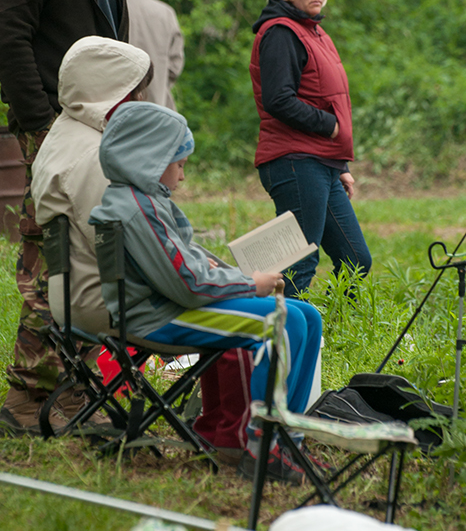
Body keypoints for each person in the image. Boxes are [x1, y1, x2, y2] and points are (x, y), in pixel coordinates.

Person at [32, 36, 254, 463]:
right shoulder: (93, 157)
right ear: (105, 91)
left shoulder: (66, 135)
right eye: (131, 93)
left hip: (73, 293)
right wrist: (218, 277)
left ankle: (224, 426)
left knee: (216, 287)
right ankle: (237, 432)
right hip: (111, 298)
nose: (138, 102)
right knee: (240, 310)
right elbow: (136, 248)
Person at [89, 101, 323, 482]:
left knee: (307, 315)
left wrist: (233, 276)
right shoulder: (138, 209)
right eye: (179, 164)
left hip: (168, 306)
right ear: (150, 160)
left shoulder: (143, 201)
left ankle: (287, 438)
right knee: (282, 322)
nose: (183, 176)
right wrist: (250, 284)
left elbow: (186, 264)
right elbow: (189, 285)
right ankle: (262, 446)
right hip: (158, 317)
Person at [0, 0, 129, 435]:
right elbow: (9, 42)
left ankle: (75, 389)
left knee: (96, 254)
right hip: (54, 126)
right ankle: (27, 400)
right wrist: (41, 126)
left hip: (104, 127)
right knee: (50, 255)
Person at [249, 0, 372, 298]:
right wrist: (330, 126)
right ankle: (278, 331)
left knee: (355, 260)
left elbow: (323, 95)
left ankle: (328, 329)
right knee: (298, 264)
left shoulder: (313, 31)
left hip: (320, 162)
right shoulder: (280, 33)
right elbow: (278, 100)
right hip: (295, 161)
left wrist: (339, 164)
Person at [121, 0, 184, 109]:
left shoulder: (113, 8)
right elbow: (176, 62)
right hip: (158, 107)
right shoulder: (166, 12)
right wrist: (159, 84)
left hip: (118, 108)